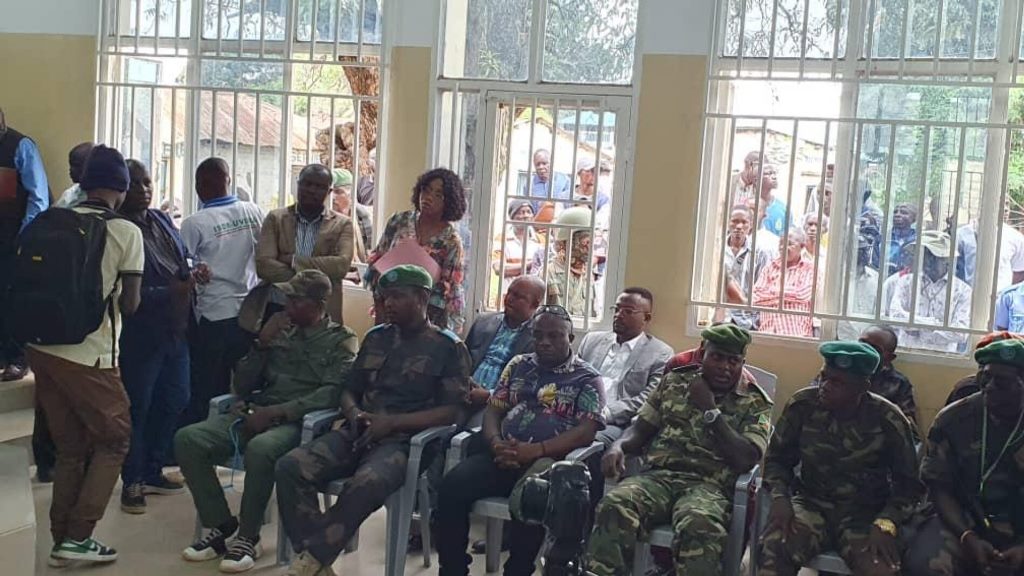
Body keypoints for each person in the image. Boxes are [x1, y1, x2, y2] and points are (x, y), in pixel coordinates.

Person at [275, 265, 471, 576]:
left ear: (422, 298)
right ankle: (316, 561)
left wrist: (392, 424)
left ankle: (311, 558)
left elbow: (453, 413)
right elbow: (349, 390)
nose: (388, 304)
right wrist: (354, 413)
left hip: (404, 443)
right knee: (290, 466)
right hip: (357, 430)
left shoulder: (448, 346)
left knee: (365, 483)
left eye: (397, 296)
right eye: (384, 297)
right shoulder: (376, 337)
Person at [176, 270, 358, 573]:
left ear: (318, 304)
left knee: (261, 449)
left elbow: (330, 395)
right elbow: (243, 386)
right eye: (286, 297)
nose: (286, 304)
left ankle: (248, 537)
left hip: (301, 423)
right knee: (188, 439)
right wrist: (260, 343)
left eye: (295, 299)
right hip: (258, 411)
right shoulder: (279, 332)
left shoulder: (342, 339)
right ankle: (222, 525)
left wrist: (278, 413)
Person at [25, 145, 142, 566]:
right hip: (90, 353)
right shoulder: (126, 231)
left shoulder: (50, 220)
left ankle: (62, 538)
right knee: (115, 437)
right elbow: (130, 305)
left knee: (72, 445)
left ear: (83, 183)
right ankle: (79, 535)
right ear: (122, 190)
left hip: (40, 348)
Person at [585, 325, 772, 576]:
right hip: (657, 478)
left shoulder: (754, 401)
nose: (725, 367)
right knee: (614, 504)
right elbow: (641, 428)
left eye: (733, 361)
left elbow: (746, 459)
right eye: (717, 357)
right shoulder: (675, 381)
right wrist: (619, 446)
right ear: (702, 353)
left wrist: (710, 411)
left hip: (709, 488)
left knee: (700, 524)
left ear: (742, 362)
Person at [435, 304, 604, 576]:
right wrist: (494, 442)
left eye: (554, 336)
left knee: (532, 496)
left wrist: (536, 450)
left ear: (570, 338)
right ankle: (452, 568)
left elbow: (586, 431)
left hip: (549, 461)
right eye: (538, 335)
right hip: (503, 453)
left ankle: (518, 570)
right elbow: (494, 408)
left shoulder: (587, 378)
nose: (544, 342)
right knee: (451, 487)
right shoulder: (518, 365)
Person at [756, 341, 923, 576]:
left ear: (863, 386)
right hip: (811, 503)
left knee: (883, 567)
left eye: (837, 382)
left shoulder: (888, 419)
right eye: (824, 377)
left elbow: (909, 486)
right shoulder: (803, 406)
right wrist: (780, 497)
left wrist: (887, 521)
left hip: (865, 512)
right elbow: (777, 460)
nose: (824, 386)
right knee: (774, 547)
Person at [905, 338, 1024, 576]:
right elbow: (939, 487)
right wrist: (967, 537)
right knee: (925, 565)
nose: (989, 387)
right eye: (985, 377)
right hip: (960, 519)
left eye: (1002, 382)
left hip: (1019, 524)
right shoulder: (954, 419)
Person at [117, 159, 193, 514]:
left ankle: (153, 469)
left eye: (147, 182)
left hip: (176, 328)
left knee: (177, 398)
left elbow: (181, 260)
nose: (144, 189)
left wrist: (192, 273)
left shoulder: (161, 219)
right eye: (135, 183)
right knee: (139, 407)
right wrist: (172, 291)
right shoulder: (117, 228)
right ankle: (131, 479)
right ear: (120, 187)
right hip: (142, 332)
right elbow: (122, 293)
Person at [179, 157, 264, 427]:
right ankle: (233, 441)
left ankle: (202, 439)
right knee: (243, 386)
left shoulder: (195, 222)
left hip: (214, 315)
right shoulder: (253, 211)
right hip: (250, 313)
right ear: (229, 180)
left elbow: (181, 266)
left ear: (198, 186)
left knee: (207, 387)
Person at [246, 164, 354, 330]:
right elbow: (264, 266)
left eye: (319, 186)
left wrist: (293, 260)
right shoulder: (276, 218)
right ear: (298, 184)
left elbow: (340, 266)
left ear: (329, 192)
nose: (311, 190)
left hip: (321, 312)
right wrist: (314, 280)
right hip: (279, 305)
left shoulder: (342, 224)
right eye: (307, 184)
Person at [366, 167, 467, 333]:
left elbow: (449, 289)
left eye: (438, 195)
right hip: (389, 307)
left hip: (427, 318)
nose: (428, 198)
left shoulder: (451, 240)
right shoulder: (399, 221)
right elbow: (377, 262)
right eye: (426, 190)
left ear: (449, 202)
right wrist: (380, 306)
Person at [577, 287, 673, 445]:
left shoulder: (660, 353)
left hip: (615, 423)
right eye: (617, 309)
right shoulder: (591, 341)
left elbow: (648, 398)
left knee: (589, 444)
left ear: (646, 318)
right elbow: (573, 377)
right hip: (577, 413)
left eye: (628, 311)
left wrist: (606, 413)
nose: (618, 315)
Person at [0, 107, 50, 382]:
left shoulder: (20, 146)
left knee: (11, 299)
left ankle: (17, 358)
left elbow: (38, 198)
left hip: (16, 240)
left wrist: (25, 239)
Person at [810, 325, 919, 438]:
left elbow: (909, 432)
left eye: (874, 349)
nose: (865, 350)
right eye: (862, 343)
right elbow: (809, 405)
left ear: (890, 358)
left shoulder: (898, 384)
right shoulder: (834, 372)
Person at [885, 230, 971, 353]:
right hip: (906, 353)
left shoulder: (963, 290)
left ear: (946, 259)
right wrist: (932, 324)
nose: (927, 260)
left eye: (932, 255)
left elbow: (960, 332)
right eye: (924, 254)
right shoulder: (906, 282)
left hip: (943, 357)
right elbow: (895, 316)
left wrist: (918, 330)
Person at [466, 275, 546, 400]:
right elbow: (461, 361)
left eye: (518, 297)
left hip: (498, 405)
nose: (509, 299)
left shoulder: (539, 339)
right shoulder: (483, 322)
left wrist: (489, 395)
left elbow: (530, 387)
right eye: (509, 292)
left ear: (535, 304)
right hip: (463, 392)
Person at [752, 228, 816, 338]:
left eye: (789, 244)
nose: (783, 247)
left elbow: (803, 295)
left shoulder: (809, 268)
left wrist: (771, 292)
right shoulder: (770, 267)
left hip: (797, 333)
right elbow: (756, 297)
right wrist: (789, 294)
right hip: (767, 331)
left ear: (802, 246)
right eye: (781, 243)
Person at [720, 205, 773, 330]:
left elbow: (762, 289)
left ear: (751, 225)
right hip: (720, 318)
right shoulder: (718, 249)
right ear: (728, 222)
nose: (739, 227)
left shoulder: (760, 253)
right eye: (735, 221)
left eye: (744, 222)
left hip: (746, 321)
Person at [542, 205, 594, 316]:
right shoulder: (548, 273)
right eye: (586, 242)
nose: (590, 248)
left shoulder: (588, 274)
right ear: (566, 243)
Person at [837, 232, 880, 341]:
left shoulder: (875, 277)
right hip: (843, 337)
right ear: (848, 253)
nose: (865, 254)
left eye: (866, 250)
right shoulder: (838, 277)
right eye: (860, 251)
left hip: (869, 338)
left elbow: (879, 310)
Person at [493, 199, 543, 281]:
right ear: (512, 217)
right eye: (521, 212)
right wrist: (530, 265)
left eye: (528, 212)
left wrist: (512, 269)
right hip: (509, 292)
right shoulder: (501, 239)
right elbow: (498, 268)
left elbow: (544, 269)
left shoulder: (541, 240)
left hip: (533, 292)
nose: (526, 215)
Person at [330, 168, 372, 261]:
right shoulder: (322, 219)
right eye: (330, 191)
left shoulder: (364, 217)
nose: (332, 197)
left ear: (351, 194)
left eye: (338, 192)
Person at [522, 149, 571, 215]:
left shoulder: (564, 181)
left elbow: (569, 206)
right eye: (538, 164)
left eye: (544, 163)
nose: (541, 167)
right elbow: (527, 208)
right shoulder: (529, 184)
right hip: (537, 223)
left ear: (551, 163)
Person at [55, 141, 94, 208]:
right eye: (70, 165)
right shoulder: (69, 194)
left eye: (76, 165)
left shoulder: (100, 197)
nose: (71, 169)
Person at [885, 203, 918, 276]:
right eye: (895, 212)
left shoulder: (918, 240)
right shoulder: (882, 238)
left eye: (904, 212)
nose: (897, 215)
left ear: (913, 218)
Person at [756, 164, 787, 236]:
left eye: (775, 173)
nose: (774, 177)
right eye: (769, 173)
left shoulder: (783, 209)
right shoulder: (747, 205)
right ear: (756, 179)